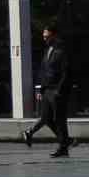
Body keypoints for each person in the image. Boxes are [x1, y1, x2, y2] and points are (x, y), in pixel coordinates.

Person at [25, 25, 75, 157]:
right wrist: (40, 88)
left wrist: (59, 89)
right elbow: (44, 71)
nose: (44, 39)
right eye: (44, 36)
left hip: (57, 91)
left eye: (47, 36)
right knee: (46, 118)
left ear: (54, 35)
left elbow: (66, 72)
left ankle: (63, 147)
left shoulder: (62, 50)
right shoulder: (48, 50)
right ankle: (65, 141)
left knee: (59, 119)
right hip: (47, 89)